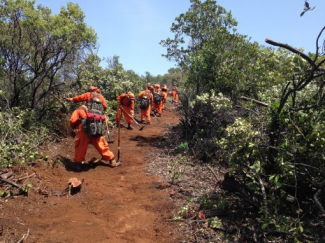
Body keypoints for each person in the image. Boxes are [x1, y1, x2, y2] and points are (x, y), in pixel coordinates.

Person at [69, 105, 118, 170]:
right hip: (95, 129)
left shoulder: (78, 111)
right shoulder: (93, 111)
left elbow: (72, 121)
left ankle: (78, 164)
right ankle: (111, 160)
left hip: (84, 131)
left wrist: (74, 126)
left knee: (81, 146)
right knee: (101, 145)